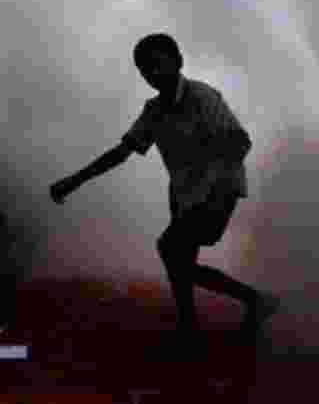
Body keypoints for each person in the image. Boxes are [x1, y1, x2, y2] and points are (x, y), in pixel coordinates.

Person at [49, 33, 280, 355]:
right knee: (180, 261)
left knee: (171, 249)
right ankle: (210, 321)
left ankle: (243, 305)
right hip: (184, 192)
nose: (151, 74)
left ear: (178, 61)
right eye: (144, 69)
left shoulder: (202, 96)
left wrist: (213, 187)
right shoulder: (154, 110)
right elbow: (122, 151)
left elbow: (240, 142)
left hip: (218, 189)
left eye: (156, 64)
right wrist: (74, 180)